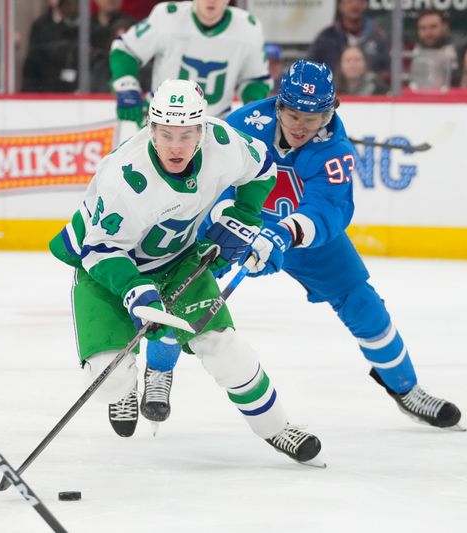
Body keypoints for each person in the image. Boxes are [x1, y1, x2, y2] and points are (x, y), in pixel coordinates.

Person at [142, 61, 463, 432]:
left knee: (362, 301)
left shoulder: (335, 149)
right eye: (293, 115)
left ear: (330, 112)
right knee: (183, 290)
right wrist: (228, 216)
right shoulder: (245, 125)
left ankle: (406, 389)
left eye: (312, 118)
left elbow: (328, 209)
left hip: (303, 238)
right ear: (278, 104)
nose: (300, 126)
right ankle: (159, 372)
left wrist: (285, 233)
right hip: (238, 226)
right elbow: (213, 179)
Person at [48, 79, 323, 465]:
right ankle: (124, 387)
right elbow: (100, 250)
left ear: (203, 129)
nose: (176, 146)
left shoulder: (222, 143)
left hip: (178, 262)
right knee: (109, 375)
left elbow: (260, 168)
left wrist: (242, 216)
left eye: (187, 134)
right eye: (166, 135)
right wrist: (136, 291)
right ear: (151, 128)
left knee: (226, 349)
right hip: (106, 273)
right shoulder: (124, 179)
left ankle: (278, 427)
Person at [109, 0, 271, 126]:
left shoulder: (249, 29)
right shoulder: (167, 17)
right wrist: (127, 87)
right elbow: (125, 50)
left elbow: (256, 80)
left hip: (214, 126)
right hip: (161, 123)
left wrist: (252, 108)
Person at [307, 0, 390, 83]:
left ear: (365, 4)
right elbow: (309, 71)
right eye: (349, 1)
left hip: (371, 93)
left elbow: (388, 72)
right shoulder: (326, 38)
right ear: (340, 6)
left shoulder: (378, 36)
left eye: (359, 1)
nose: (354, 5)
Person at [408, 9, 457, 91]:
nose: (428, 33)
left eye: (433, 27)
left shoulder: (458, 50)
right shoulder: (411, 52)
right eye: (423, 28)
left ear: (445, 27)